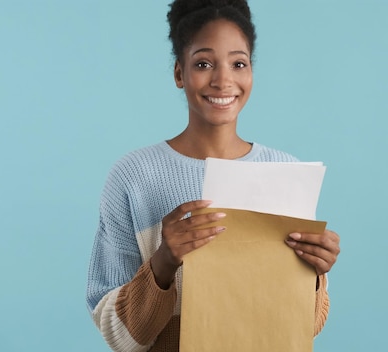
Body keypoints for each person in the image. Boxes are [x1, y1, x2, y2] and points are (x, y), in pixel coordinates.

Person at [86, 0, 341, 351]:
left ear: (251, 72)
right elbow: (116, 335)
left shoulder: (285, 173)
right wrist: (163, 261)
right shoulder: (134, 176)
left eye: (239, 63)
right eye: (203, 63)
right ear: (180, 73)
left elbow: (301, 329)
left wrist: (315, 276)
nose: (224, 80)